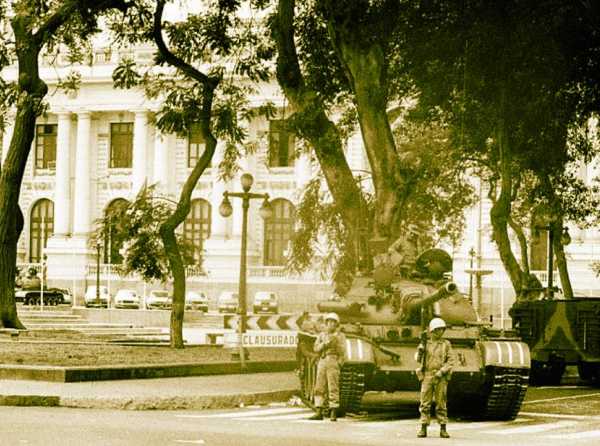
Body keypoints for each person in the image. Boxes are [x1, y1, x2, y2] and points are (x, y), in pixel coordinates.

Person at [415, 317, 455, 438]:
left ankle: (443, 428)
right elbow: (418, 360)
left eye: (442, 330)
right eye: (438, 330)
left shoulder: (446, 344)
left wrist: (441, 372)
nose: (441, 332)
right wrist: (420, 350)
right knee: (425, 403)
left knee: (441, 403)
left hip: (440, 377)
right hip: (427, 375)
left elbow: (451, 361)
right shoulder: (425, 343)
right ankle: (423, 427)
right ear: (432, 331)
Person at [308, 312, 346, 422]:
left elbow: (343, 352)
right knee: (319, 386)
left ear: (336, 324)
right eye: (329, 322)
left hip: (333, 360)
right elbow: (315, 348)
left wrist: (339, 363)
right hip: (323, 360)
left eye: (333, 322)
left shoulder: (340, 336)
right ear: (326, 323)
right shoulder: (322, 335)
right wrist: (324, 344)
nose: (330, 324)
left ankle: (333, 411)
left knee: (333, 386)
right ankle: (318, 410)